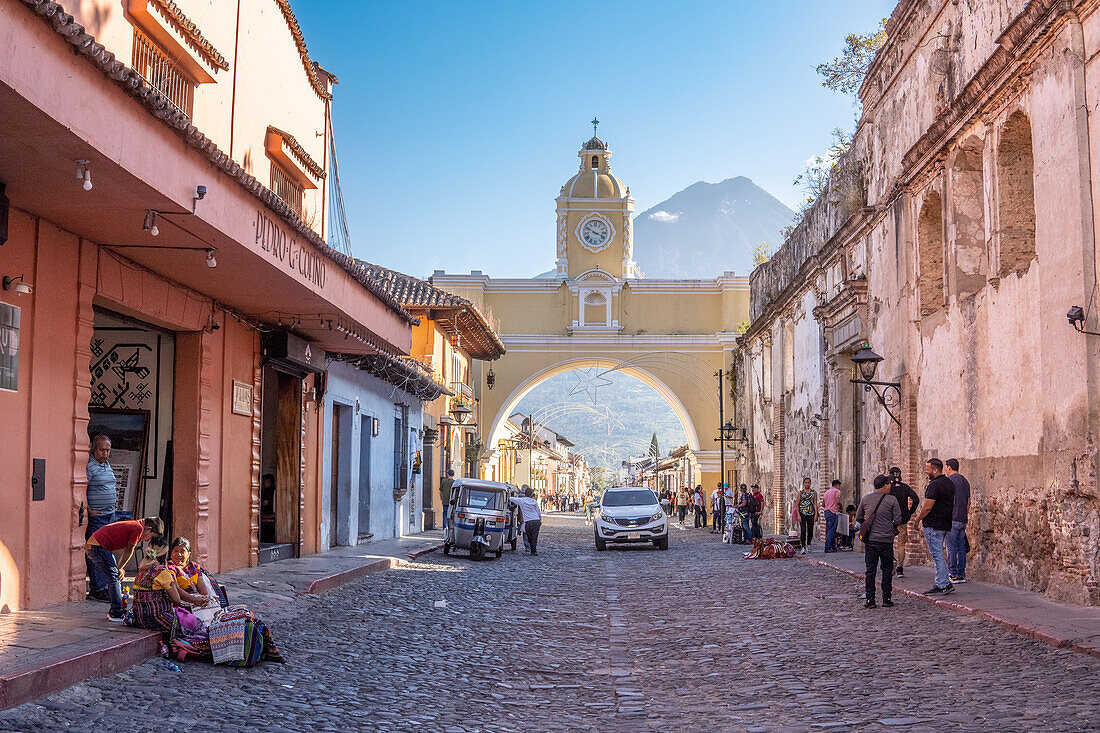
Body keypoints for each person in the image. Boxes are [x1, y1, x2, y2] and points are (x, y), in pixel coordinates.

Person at [86, 516, 164, 622]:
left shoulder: (137, 525)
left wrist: (120, 568)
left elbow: (125, 550)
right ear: (148, 529)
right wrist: (119, 568)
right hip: (97, 547)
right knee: (114, 577)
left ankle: (117, 609)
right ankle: (116, 612)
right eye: (150, 537)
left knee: (115, 575)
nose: (147, 540)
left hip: (97, 546)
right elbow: (129, 550)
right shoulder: (138, 528)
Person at [856, 475, 903, 609]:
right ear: (885, 485)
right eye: (889, 484)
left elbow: (859, 517)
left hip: (870, 541)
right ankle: (886, 598)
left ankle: (870, 599)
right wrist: (889, 524)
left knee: (870, 570)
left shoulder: (866, 499)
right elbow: (898, 519)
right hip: (886, 540)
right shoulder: (892, 500)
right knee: (887, 570)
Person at [911, 458, 956, 595]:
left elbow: (927, 507)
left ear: (935, 469)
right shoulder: (949, 483)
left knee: (937, 555)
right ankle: (944, 582)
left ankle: (942, 584)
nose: (926, 472)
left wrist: (917, 519)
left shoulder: (934, 485)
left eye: (928, 469)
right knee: (939, 554)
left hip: (933, 524)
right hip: (945, 523)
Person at [85, 434, 117, 602]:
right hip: (98, 518)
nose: (105, 453)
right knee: (97, 551)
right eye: (102, 450)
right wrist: (88, 510)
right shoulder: (90, 466)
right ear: (94, 449)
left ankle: (104, 586)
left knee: (106, 549)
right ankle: (97, 588)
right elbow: (82, 488)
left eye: (108, 450)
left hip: (109, 515)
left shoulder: (106, 465)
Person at [167, 537, 221, 607]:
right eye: (176, 551)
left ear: (189, 554)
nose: (179, 554)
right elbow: (176, 589)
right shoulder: (169, 568)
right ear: (171, 554)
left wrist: (205, 598)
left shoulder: (194, 567)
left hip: (197, 599)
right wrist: (195, 600)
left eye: (182, 551)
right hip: (181, 601)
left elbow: (201, 585)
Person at [887, 467, 920, 577]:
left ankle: (891, 564)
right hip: (902, 519)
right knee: (901, 544)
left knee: (889, 543)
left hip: (890, 520)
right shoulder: (905, 487)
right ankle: (900, 568)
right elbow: (916, 498)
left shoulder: (888, 488)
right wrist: (910, 512)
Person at [945, 458, 971, 584]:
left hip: (952, 518)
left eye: (946, 467)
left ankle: (953, 574)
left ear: (949, 467)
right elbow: (968, 501)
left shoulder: (949, 481)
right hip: (962, 518)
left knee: (951, 548)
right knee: (961, 547)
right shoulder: (965, 481)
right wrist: (965, 514)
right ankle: (961, 574)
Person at [510, 486, 542, 556]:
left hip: (528, 521)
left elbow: (511, 499)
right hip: (536, 520)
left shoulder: (522, 501)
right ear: (531, 494)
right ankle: (533, 549)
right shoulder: (534, 501)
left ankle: (533, 550)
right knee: (534, 536)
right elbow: (538, 512)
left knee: (529, 536)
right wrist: (540, 520)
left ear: (525, 493)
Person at [796, 478, 818, 554]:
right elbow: (797, 505)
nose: (807, 484)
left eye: (808, 482)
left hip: (811, 513)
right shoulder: (800, 493)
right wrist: (798, 515)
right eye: (806, 482)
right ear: (803, 484)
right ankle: (803, 547)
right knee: (803, 530)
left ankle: (808, 543)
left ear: (810, 483)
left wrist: (816, 514)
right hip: (802, 512)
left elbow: (815, 503)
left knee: (810, 530)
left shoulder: (813, 492)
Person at [823, 479, 843, 553]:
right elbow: (837, 501)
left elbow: (823, 504)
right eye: (839, 485)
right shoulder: (836, 491)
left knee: (830, 529)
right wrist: (840, 506)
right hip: (833, 512)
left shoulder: (826, 492)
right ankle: (827, 547)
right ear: (837, 485)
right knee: (832, 530)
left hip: (826, 511)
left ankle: (832, 546)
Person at [260, 473, 276, 543]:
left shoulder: (269, 491)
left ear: (268, 481)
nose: (262, 483)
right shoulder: (272, 490)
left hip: (268, 515)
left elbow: (265, 503)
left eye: (264, 481)